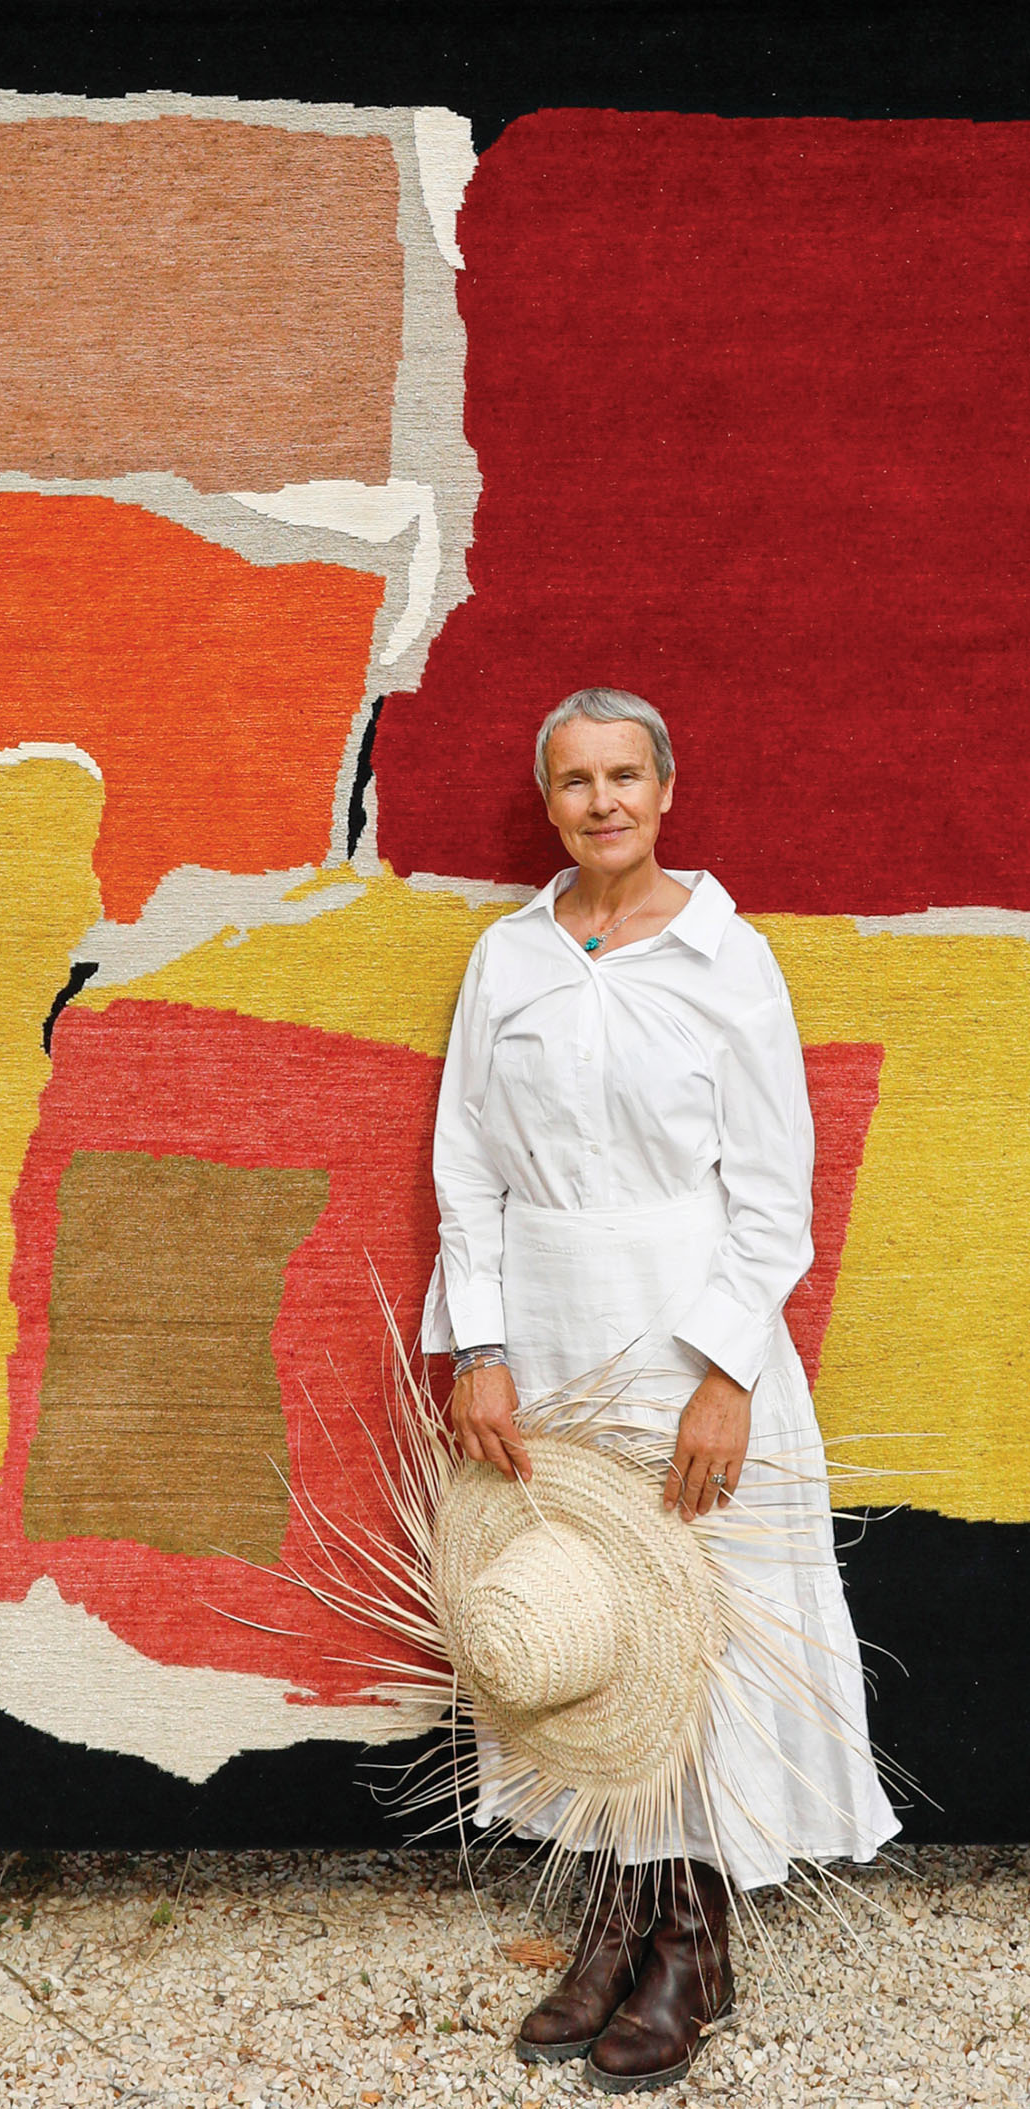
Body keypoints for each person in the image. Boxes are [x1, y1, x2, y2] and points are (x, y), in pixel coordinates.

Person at [422, 687, 898, 2092]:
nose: (603, 800)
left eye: (626, 774)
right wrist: (482, 1346)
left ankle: (694, 1939)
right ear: (551, 800)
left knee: (702, 1623)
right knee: (590, 1621)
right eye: (576, 780)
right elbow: (467, 1166)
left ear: (667, 787)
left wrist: (726, 1371)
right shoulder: (506, 960)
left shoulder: (726, 961)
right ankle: (617, 1912)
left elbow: (772, 1195)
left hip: (685, 1331)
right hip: (551, 1342)